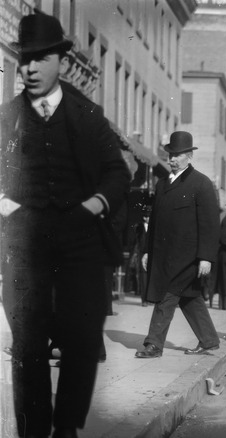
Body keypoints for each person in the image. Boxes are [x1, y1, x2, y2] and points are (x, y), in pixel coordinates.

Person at [0, 11, 131, 437]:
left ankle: (67, 427)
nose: (29, 68)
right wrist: (10, 210)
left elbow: (118, 173)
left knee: (81, 341)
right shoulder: (7, 119)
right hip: (26, 249)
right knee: (28, 347)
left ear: (60, 60)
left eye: (40, 58)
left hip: (80, 247)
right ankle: (34, 431)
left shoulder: (87, 115)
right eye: (24, 60)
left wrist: (93, 206)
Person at [135, 131, 222, 358]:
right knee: (189, 298)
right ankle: (209, 340)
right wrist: (147, 251)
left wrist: (206, 257)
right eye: (170, 155)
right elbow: (154, 222)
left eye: (177, 155)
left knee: (167, 295)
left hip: (189, 258)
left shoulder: (201, 184)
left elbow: (210, 224)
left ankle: (153, 344)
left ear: (189, 157)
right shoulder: (162, 184)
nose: (172, 159)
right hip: (164, 256)